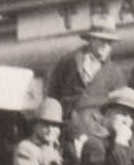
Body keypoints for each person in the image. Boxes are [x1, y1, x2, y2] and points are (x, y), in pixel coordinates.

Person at [45, 18, 124, 148]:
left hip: (98, 135)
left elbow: (118, 109)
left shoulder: (116, 73)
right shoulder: (69, 62)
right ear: (91, 39)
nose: (105, 46)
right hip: (68, 131)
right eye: (102, 40)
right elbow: (53, 95)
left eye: (110, 42)